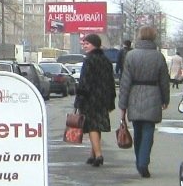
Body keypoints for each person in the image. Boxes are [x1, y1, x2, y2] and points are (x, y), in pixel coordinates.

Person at [119, 26, 171, 177]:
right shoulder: (158, 56)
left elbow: (125, 82)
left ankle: (139, 161)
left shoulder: (131, 56)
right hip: (153, 93)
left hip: (134, 94)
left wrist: (123, 105)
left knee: (137, 131)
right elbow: (164, 80)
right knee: (148, 130)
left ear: (139, 36)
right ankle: (143, 162)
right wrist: (165, 99)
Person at [73, 32, 116, 167]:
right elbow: (111, 81)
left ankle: (98, 155)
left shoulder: (89, 60)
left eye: (87, 43)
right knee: (96, 127)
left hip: (90, 98)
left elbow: (84, 82)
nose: (85, 46)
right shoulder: (106, 60)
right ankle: (93, 154)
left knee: (92, 126)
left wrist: (79, 99)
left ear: (94, 45)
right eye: (84, 43)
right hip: (103, 98)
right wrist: (111, 99)